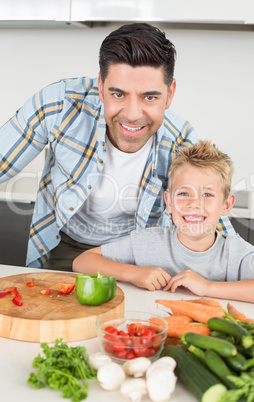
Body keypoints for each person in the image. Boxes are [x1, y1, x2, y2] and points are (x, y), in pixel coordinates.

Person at [0, 23, 237, 270]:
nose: (133, 115)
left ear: (170, 93)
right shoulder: (60, 105)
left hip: (138, 260)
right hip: (65, 247)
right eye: (119, 94)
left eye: (149, 97)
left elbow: (215, 223)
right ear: (101, 86)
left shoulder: (180, 141)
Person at [73, 141, 254, 304]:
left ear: (226, 205)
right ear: (169, 202)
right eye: (184, 193)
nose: (194, 204)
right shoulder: (147, 242)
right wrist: (132, 273)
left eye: (207, 194)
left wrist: (207, 287)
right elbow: (82, 262)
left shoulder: (236, 253)